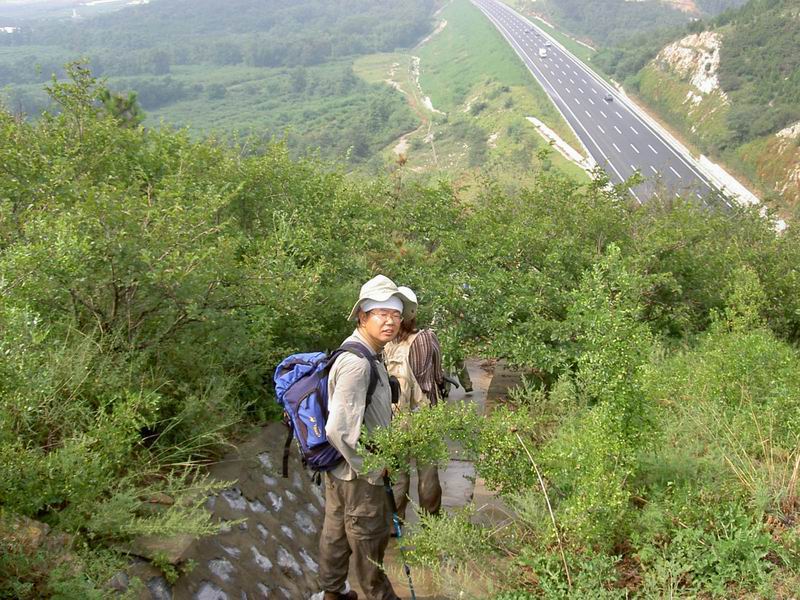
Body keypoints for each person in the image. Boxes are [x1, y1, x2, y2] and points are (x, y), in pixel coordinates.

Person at [318, 274, 415, 600]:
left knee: (336, 535)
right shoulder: (358, 363)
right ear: (362, 316)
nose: (390, 321)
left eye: (396, 314)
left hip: (341, 469)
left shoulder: (366, 352)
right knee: (369, 542)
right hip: (360, 475)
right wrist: (373, 467)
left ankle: (333, 593)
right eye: (381, 314)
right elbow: (339, 429)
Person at [384, 286, 444, 523]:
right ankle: (431, 522)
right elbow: (437, 376)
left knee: (398, 474)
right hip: (424, 416)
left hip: (394, 416)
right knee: (427, 473)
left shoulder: (386, 343)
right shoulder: (426, 338)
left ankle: (395, 523)